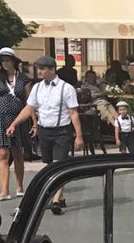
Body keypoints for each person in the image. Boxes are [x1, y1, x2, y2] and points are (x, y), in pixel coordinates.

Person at [8, 55, 82, 214]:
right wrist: (14, 123)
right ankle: (60, 197)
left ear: (52, 69)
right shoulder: (37, 87)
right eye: (39, 69)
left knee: (58, 164)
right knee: (49, 165)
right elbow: (29, 108)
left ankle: (56, 201)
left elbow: (73, 113)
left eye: (42, 69)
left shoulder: (66, 88)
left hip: (62, 131)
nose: (39, 72)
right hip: (44, 130)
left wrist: (79, 136)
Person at [0, 47, 29, 200]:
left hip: (18, 118)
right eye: (3, 61)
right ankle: (4, 190)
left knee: (17, 152)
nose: (5, 63)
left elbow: (29, 101)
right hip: (0, 118)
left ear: (14, 61)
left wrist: (33, 121)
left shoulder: (23, 78)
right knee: (2, 154)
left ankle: (20, 186)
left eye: (7, 60)